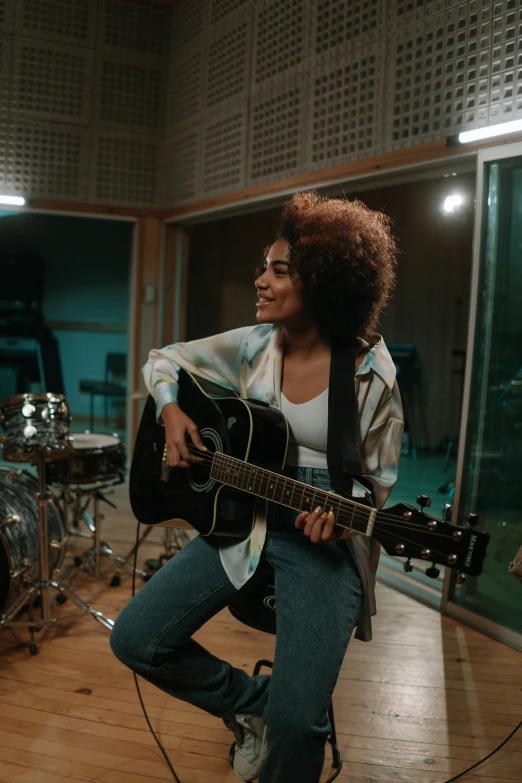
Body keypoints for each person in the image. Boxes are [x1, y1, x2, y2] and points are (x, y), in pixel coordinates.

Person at [110, 191, 404, 783]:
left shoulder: (370, 371)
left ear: (322, 282)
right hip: (243, 517)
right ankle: (252, 705)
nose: (261, 280)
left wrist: (348, 513)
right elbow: (162, 360)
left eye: (279, 270)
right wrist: (170, 412)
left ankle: (284, 717)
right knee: (137, 639)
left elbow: (379, 485)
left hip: (324, 535)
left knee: (301, 727)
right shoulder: (252, 346)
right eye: (262, 267)